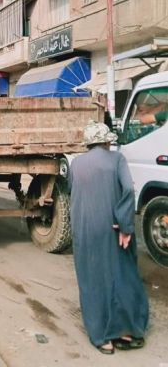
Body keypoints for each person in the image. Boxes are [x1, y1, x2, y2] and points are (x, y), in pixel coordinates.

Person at [68, 120, 149, 355]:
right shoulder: (117, 160)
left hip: (83, 229)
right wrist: (125, 227)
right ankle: (125, 330)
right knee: (122, 275)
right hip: (111, 228)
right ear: (106, 142)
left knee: (92, 280)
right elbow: (128, 191)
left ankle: (102, 338)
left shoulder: (76, 163)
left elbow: (73, 191)